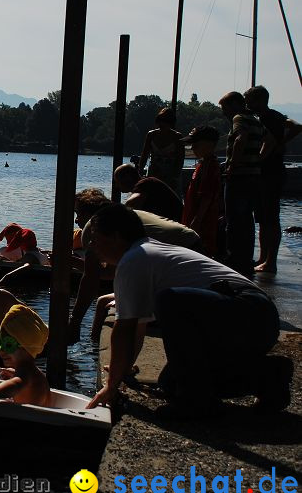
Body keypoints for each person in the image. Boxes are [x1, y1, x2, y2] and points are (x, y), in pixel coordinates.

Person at [84, 204, 289, 417]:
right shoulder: (148, 252)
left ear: (116, 237)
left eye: (96, 239)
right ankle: (267, 377)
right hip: (257, 320)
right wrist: (123, 370)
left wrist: (111, 385)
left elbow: (124, 328)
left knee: (170, 300)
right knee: (171, 382)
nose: (92, 246)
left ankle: (195, 400)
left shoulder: (134, 259)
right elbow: (138, 326)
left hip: (247, 312)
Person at [67, 188, 201, 345]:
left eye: (78, 213)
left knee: (131, 314)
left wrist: (74, 322)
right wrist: (72, 262)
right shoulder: (124, 216)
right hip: (192, 248)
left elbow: (91, 279)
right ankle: (94, 348)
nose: (76, 220)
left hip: (177, 268)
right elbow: (109, 272)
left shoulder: (95, 226)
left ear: (88, 213)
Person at [244, 86, 302, 273]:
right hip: (269, 171)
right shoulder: (275, 116)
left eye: (249, 100)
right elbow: (296, 125)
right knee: (263, 218)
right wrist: (282, 142)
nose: (247, 104)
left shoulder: (267, 117)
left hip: (270, 171)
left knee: (270, 218)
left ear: (259, 100)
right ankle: (264, 258)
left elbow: (296, 128)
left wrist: (273, 147)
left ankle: (270, 261)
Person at [220, 91, 266, 277]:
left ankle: (234, 260)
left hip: (239, 176)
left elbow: (241, 138)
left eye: (225, 108)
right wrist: (255, 161)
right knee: (246, 220)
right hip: (253, 175)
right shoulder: (256, 119)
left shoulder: (239, 118)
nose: (224, 113)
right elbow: (268, 140)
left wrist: (232, 165)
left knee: (234, 220)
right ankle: (246, 259)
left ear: (234, 105)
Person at [0, 305, 51, 410]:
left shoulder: (24, 373)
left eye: (8, 345)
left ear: (26, 347)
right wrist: (14, 374)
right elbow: (24, 381)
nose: (1, 350)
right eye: (0, 343)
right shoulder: (35, 373)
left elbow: (16, 384)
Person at [181, 125, 222, 257]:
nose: (192, 147)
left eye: (195, 144)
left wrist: (197, 221)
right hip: (194, 220)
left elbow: (207, 196)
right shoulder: (202, 165)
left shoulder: (210, 167)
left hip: (203, 226)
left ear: (209, 144)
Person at [113, 163, 183, 222]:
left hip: (178, 225)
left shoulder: (145, 183)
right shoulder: (146, 184)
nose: (116, 186)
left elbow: (131, 203)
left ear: (127, 179)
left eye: (117, 181)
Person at [138, 108, 185, 194]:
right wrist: (140, 171)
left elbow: (180, 159)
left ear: (171, 122)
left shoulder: (177, 137)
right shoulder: (151, 135)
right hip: (154, 173)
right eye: (160, 120)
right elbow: (144, 155)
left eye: (166, 121)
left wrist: (175, 177)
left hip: (171, 176)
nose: (162, 123)